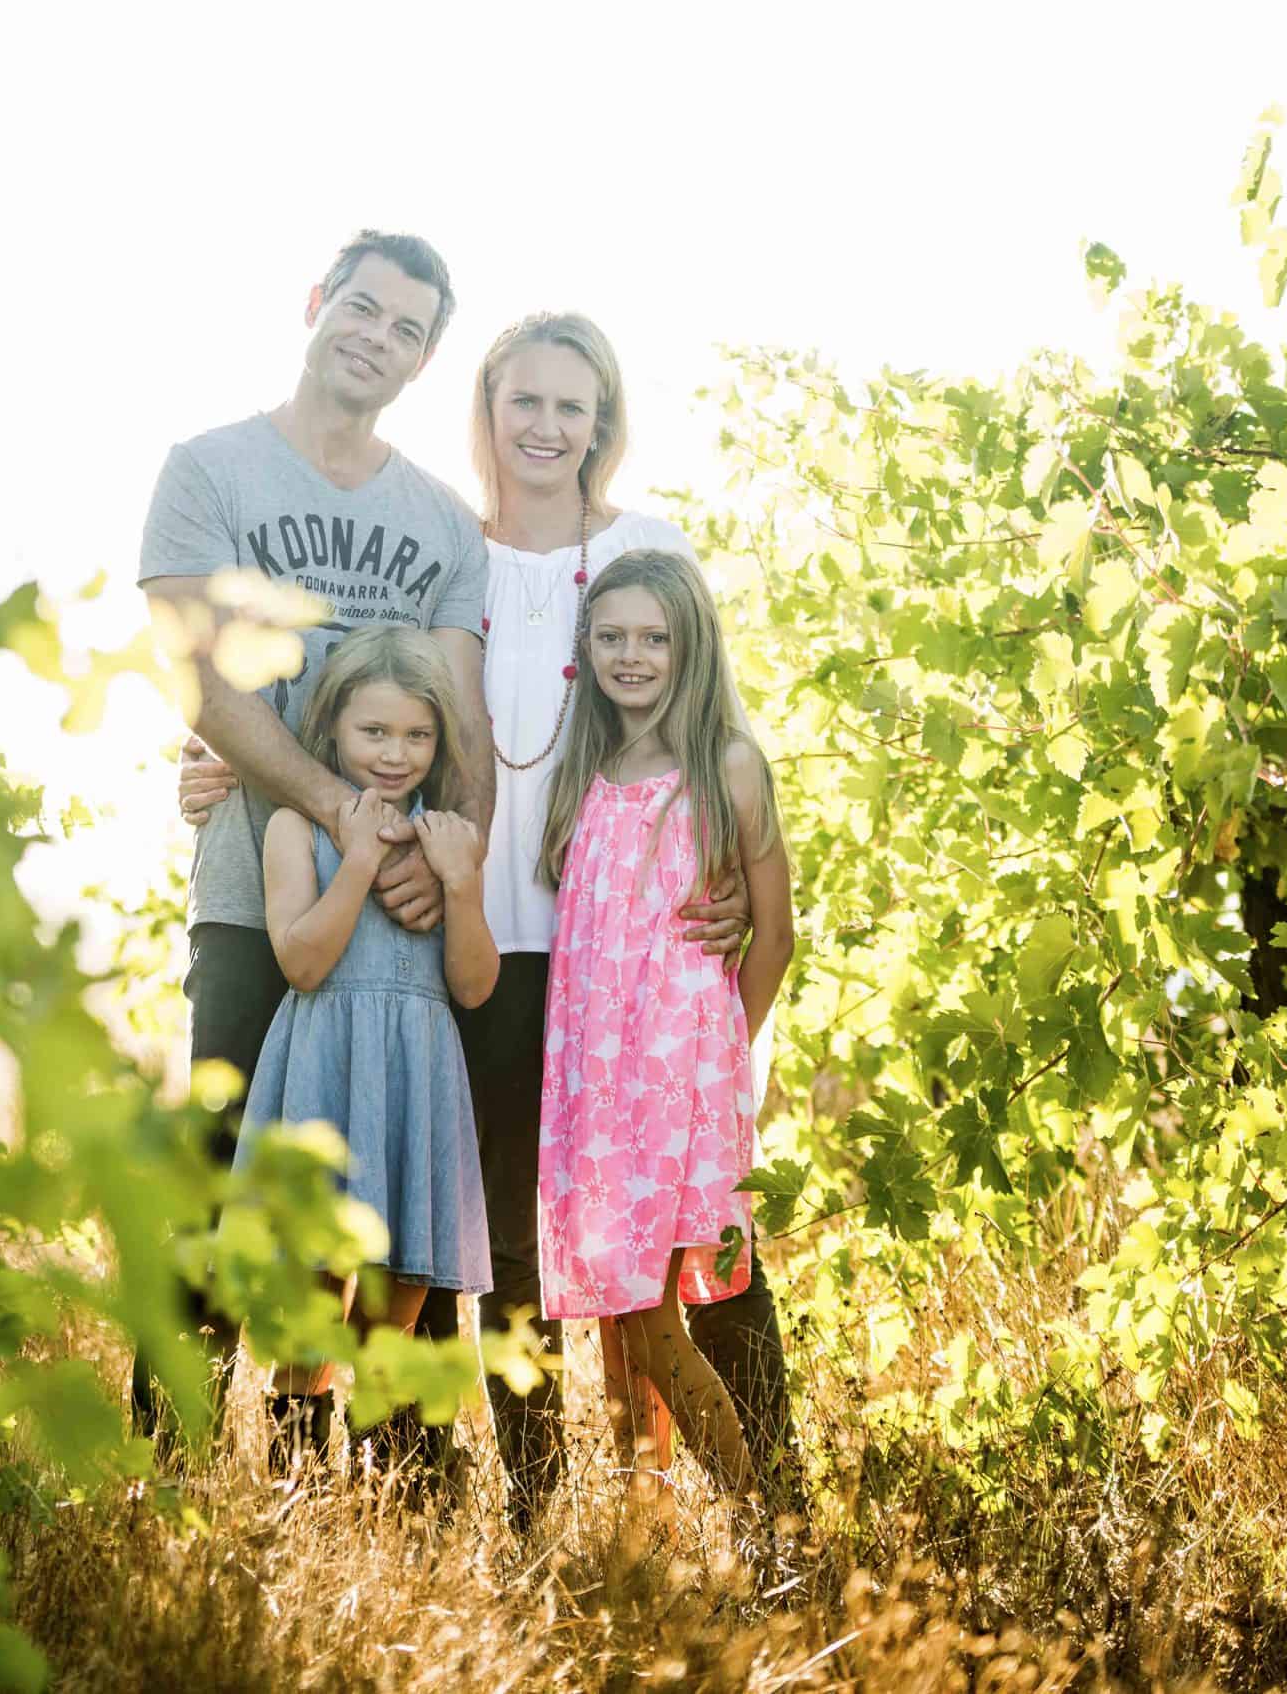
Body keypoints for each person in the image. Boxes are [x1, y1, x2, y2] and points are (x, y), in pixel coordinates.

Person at [184, 313, 794, 1529]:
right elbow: (351, 679)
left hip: (616, 953)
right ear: (486, 410)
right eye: (523, 401)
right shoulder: (439, 546)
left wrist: (733, 887)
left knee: (688, 1247)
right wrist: (216, 761)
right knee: (492, 1240)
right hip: (464, 933)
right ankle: (524, 1509)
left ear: (604, 420)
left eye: (572, 405)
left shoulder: (645, 547)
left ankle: (775, 1496)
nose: (546, 427)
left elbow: (704, 712)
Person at [136, 230, 494, 1455]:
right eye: (362, 307)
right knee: (220, 1166)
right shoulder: (210, 471)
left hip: (396, 911)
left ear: (425, 356)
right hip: (259, 888)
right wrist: (332, 810)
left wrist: (440, 858)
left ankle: (389, 1481)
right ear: (316, 303)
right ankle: (163, 1466)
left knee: (393, 1198)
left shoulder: (443, 522)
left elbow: (465, 716)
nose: (375, 336)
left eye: (405, 327)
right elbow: (198, 678)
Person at [535, 548, 796, 1528]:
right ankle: (677, 1520)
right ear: (585, 649)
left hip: (684, 1077)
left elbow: (774, 933)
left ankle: (773, 1525)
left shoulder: (725, 761)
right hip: (597, 1094)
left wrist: (726, 1053)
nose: (632, 655)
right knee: (631, 1312)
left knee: (678, 1307)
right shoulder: (585, 773)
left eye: (653, 637)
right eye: (611, 637)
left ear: (690, 646)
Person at [228, 626, 498, 1474]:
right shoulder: (291, 831)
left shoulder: (448, 837)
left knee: (401, 1299)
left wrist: (461, 883)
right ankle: (292, 1489)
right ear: (333, 729)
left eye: (416, 735)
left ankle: (377, 1484)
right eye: (374, 732)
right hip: (326, 1071)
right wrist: (355, 860)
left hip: (416, 1074)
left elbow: (474, 985)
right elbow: (303, 961)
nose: (395, 753)